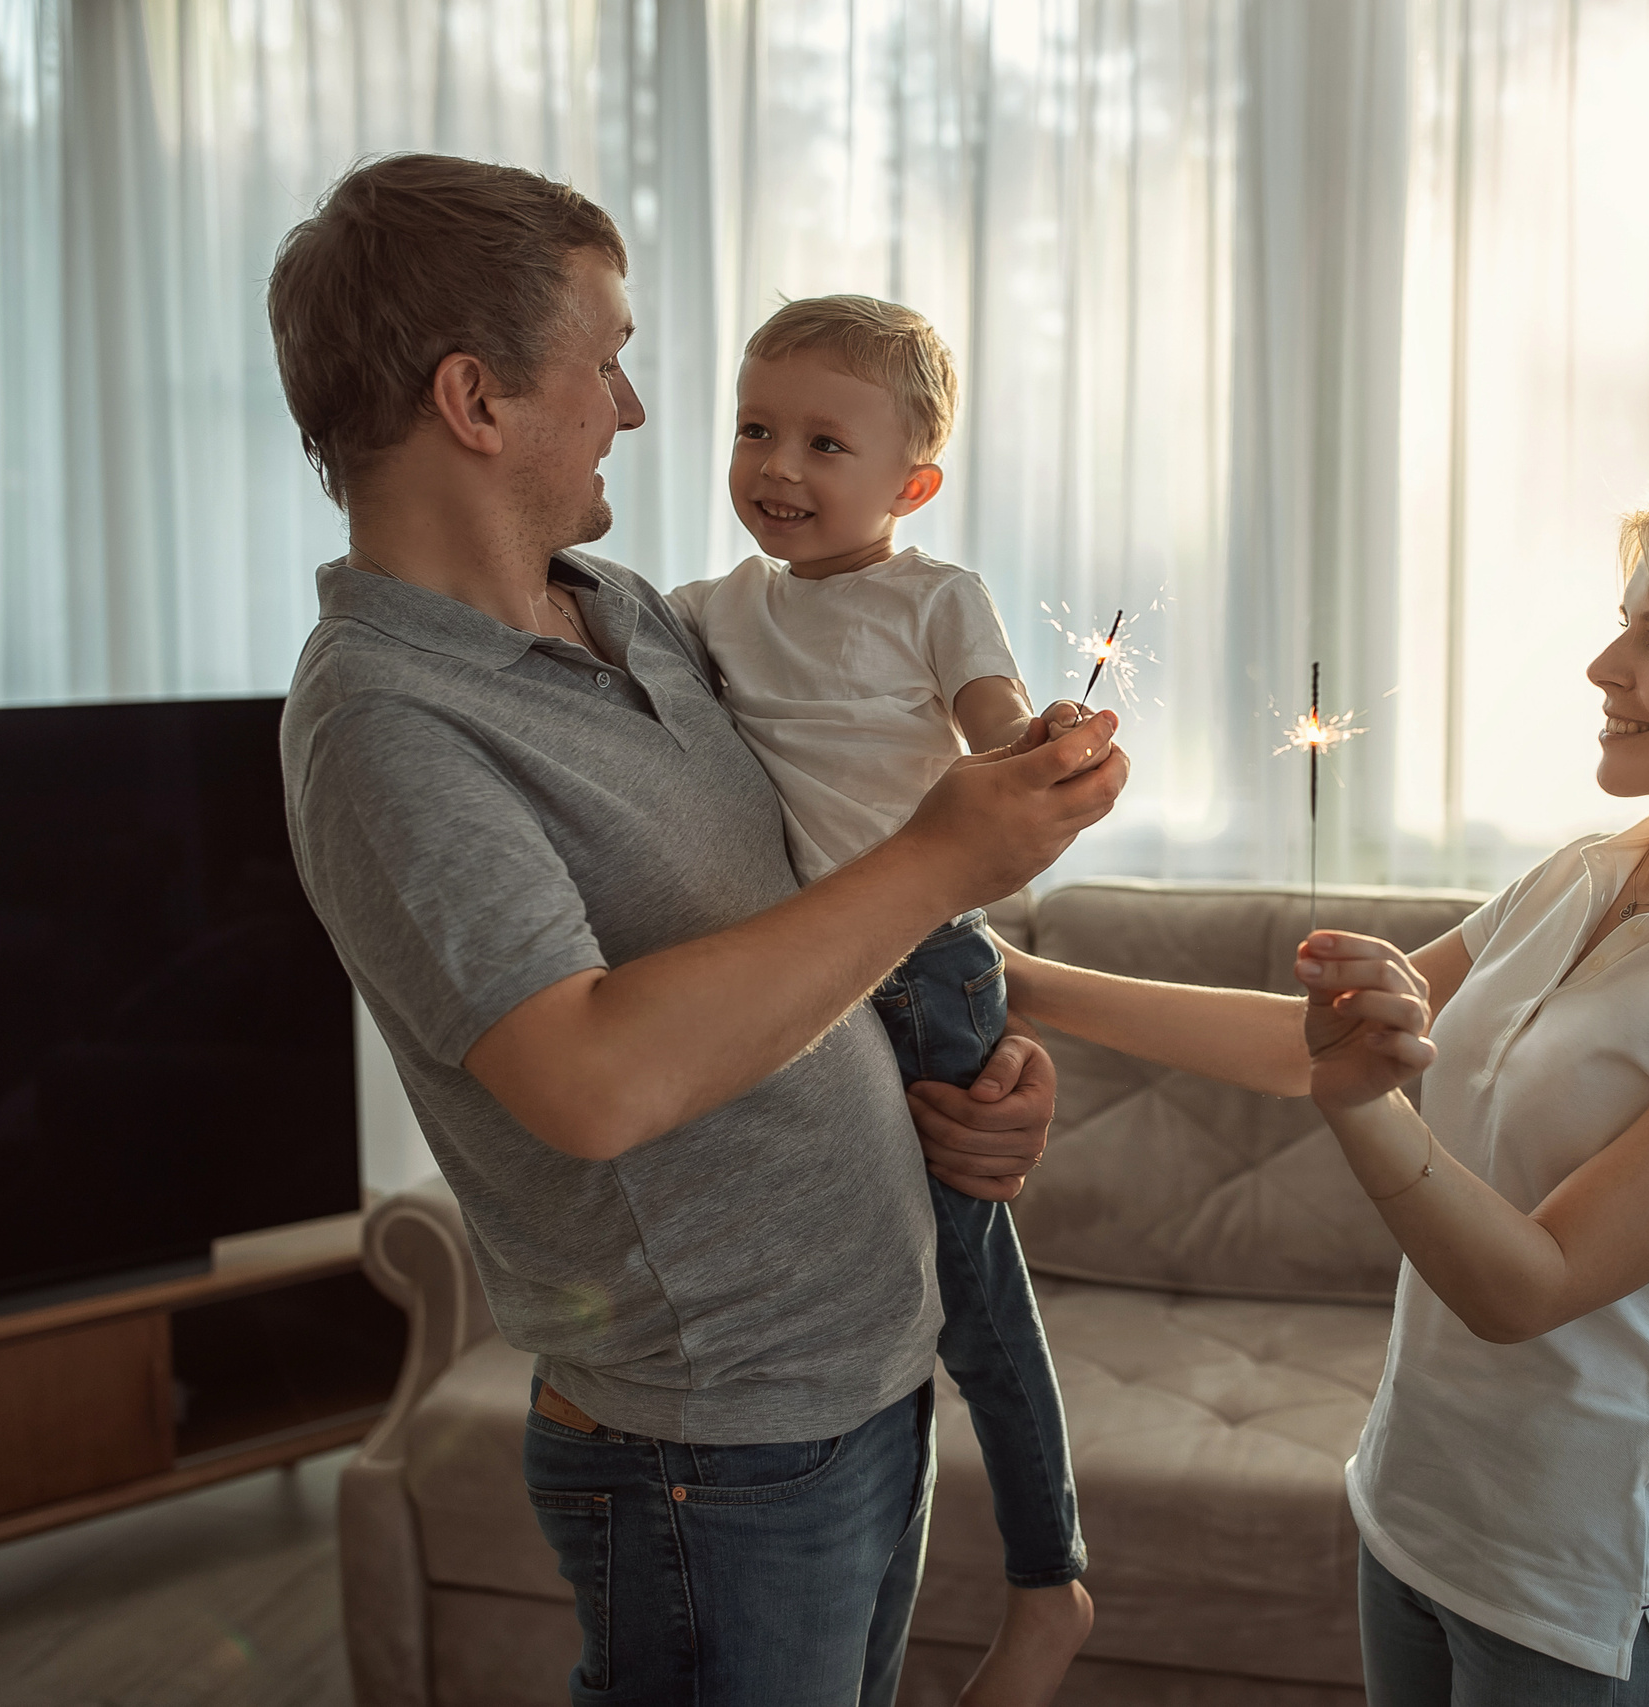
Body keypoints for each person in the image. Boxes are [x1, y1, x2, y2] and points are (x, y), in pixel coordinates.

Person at [264, 153, 1127, 1707]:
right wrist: (940, 858)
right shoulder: (385, 723)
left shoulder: (637, 616)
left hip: (868, 1369)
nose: (636, 407)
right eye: (606, 361)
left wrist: (966, 1071)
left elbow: (797, 929)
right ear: (476, 399)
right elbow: (589, 1075)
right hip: (714, 1449)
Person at [999, 483, 1649, 1705]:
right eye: (1624, 622)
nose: (1604, 666)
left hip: (1586, 1609)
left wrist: (1364, 1104)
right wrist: (1019, 979)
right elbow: (1309, 1047)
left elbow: (1527, 1288)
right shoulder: (1588, 874)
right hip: (1410, 1526)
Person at [663, 293, 1093, 1704]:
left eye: (824, 443)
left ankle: (1050, 1575)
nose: (777, 465)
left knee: (972, 1288)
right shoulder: (711, 609)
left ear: (912, 485)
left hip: (923, 964)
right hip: (803, 966)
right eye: (755, 429)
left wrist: (1045, 744)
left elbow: (997, 731)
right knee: (860, 1262)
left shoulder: (935, 596)